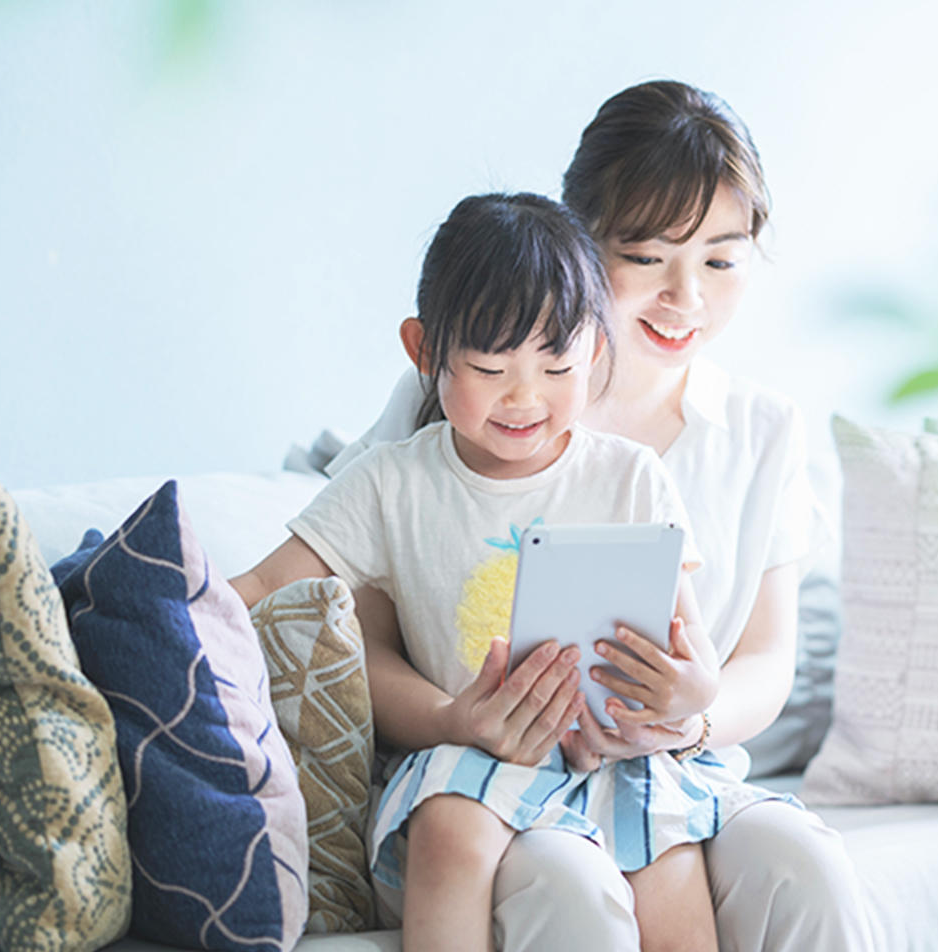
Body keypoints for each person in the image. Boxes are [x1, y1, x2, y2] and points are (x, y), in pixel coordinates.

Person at [330, 81, 875, 952]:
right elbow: (361, 633)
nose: (685, 297)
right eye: (650, 257)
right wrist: (454, 718)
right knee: (571, 887)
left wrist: (690, 718)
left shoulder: (764, 430)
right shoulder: (466, 397)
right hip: (495, 778)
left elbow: (769, 658)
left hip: (673, 769)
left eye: (722, 260)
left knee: (803, 866)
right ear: (580, 244)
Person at [232, 192, 792, 952]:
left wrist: (692, 696)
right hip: (475, 748)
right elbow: (268, 586)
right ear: (424, 352)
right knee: (448, 835)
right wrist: (177, 601)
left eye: (557, 365)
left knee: (669, 861)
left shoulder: (629, 477)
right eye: (491, 368)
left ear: (596, 351)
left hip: (619, 754)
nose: (525, 397)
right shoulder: (391, 481)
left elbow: (688, 646)